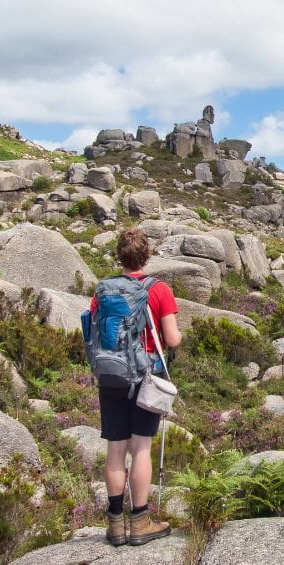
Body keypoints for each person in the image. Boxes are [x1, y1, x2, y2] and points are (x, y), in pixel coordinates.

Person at [92, 228, 182, 546]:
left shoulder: (103, 290)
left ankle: (115, 525)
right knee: (140, 447)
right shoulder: (159, 290)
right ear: (147, 256)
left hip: (111, 377)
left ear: (119, 255)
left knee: (116, 449)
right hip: (145, 378)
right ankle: (140, 520)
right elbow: (171, 339)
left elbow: (94, 333)